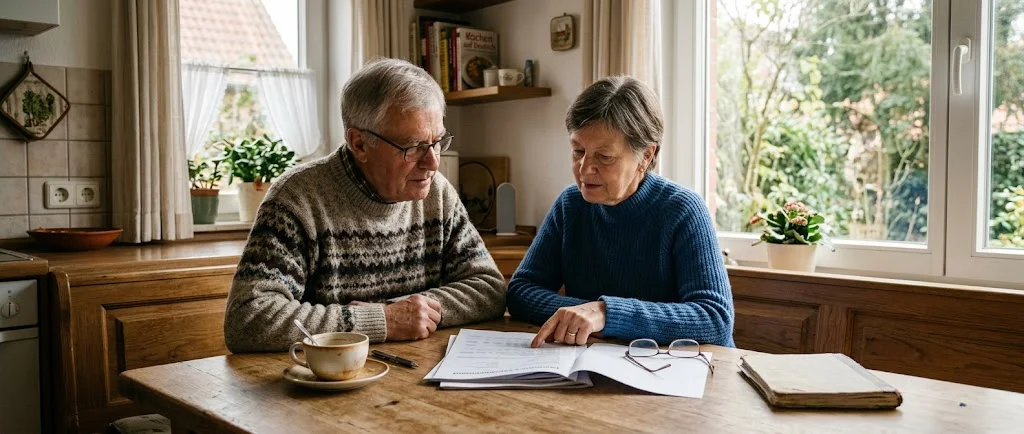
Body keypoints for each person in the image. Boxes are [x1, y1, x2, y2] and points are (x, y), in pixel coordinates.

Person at [224, 58, 506, 352]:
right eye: (413, 147)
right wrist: (381, 320)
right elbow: (249, 320)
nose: (433, 162)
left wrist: (400, 310)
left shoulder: (438, 194)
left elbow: (489, 289)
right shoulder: (297, 199)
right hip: (319, 386)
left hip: (412, 378)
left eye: (437, 142)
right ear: (359, 144)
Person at [507, 76, 735, 348]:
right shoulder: (571, 205)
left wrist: (606, 313)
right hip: (595, 363)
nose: (584, 168)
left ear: (646, 156)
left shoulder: (684, 210)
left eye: (604, 157)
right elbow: (521, 292)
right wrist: (585, 315)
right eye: (578, 151)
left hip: (679, 373)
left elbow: (715, 319)